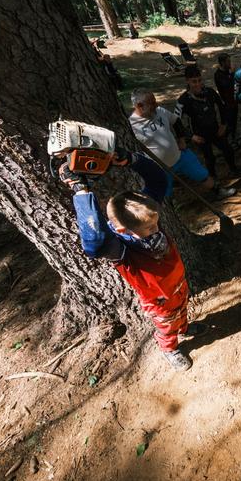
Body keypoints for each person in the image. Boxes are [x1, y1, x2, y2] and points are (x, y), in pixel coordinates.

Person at [59, 150, 206, 371]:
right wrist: (81, 190)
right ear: (122, 230)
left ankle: (183, 328)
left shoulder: (143, 215)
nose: (156, 230)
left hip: (178, 286)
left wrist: (131, 159)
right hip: (159, 301)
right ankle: (169, 348)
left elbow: (158, 180)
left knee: (182, 310)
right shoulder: (121, 249)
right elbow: (95, 243)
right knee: (166, 326)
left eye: (156, 224)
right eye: (149, 229)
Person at [129, 89, 235, 200]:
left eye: (155, 101)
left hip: (179, 156)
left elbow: (176, 121)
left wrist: (181, 140)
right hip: (161, 168)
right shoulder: (132, 126)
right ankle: (170, 210)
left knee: (201, 174)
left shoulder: (159, 111)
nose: (156, 105)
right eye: (152, 103)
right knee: (164, 194)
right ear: (139, 106)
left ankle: (218, 191)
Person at [177, 65, 240, 180]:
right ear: (187, 81)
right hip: (200, 135)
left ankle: (234, 169)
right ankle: (213, 179)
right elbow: (176, 122)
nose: (197, 84)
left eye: (199, 80)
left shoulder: (210, 92)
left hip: (215, 129)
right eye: (194, 81)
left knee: (228, 150)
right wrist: (191, 136)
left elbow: (222, 106)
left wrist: (223, 124)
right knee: (209, 157)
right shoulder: (183, 100)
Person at [213, 53, 239, 144]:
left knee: (234, 121)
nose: (230, 63)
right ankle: (225, 141)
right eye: (228, 61)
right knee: (228, 124)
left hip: (233, 101)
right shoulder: (218, 75)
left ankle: (233, 137)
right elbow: (227, 85)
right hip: (226, 104)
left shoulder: (228, 71)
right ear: (222, 63)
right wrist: (232, 73)